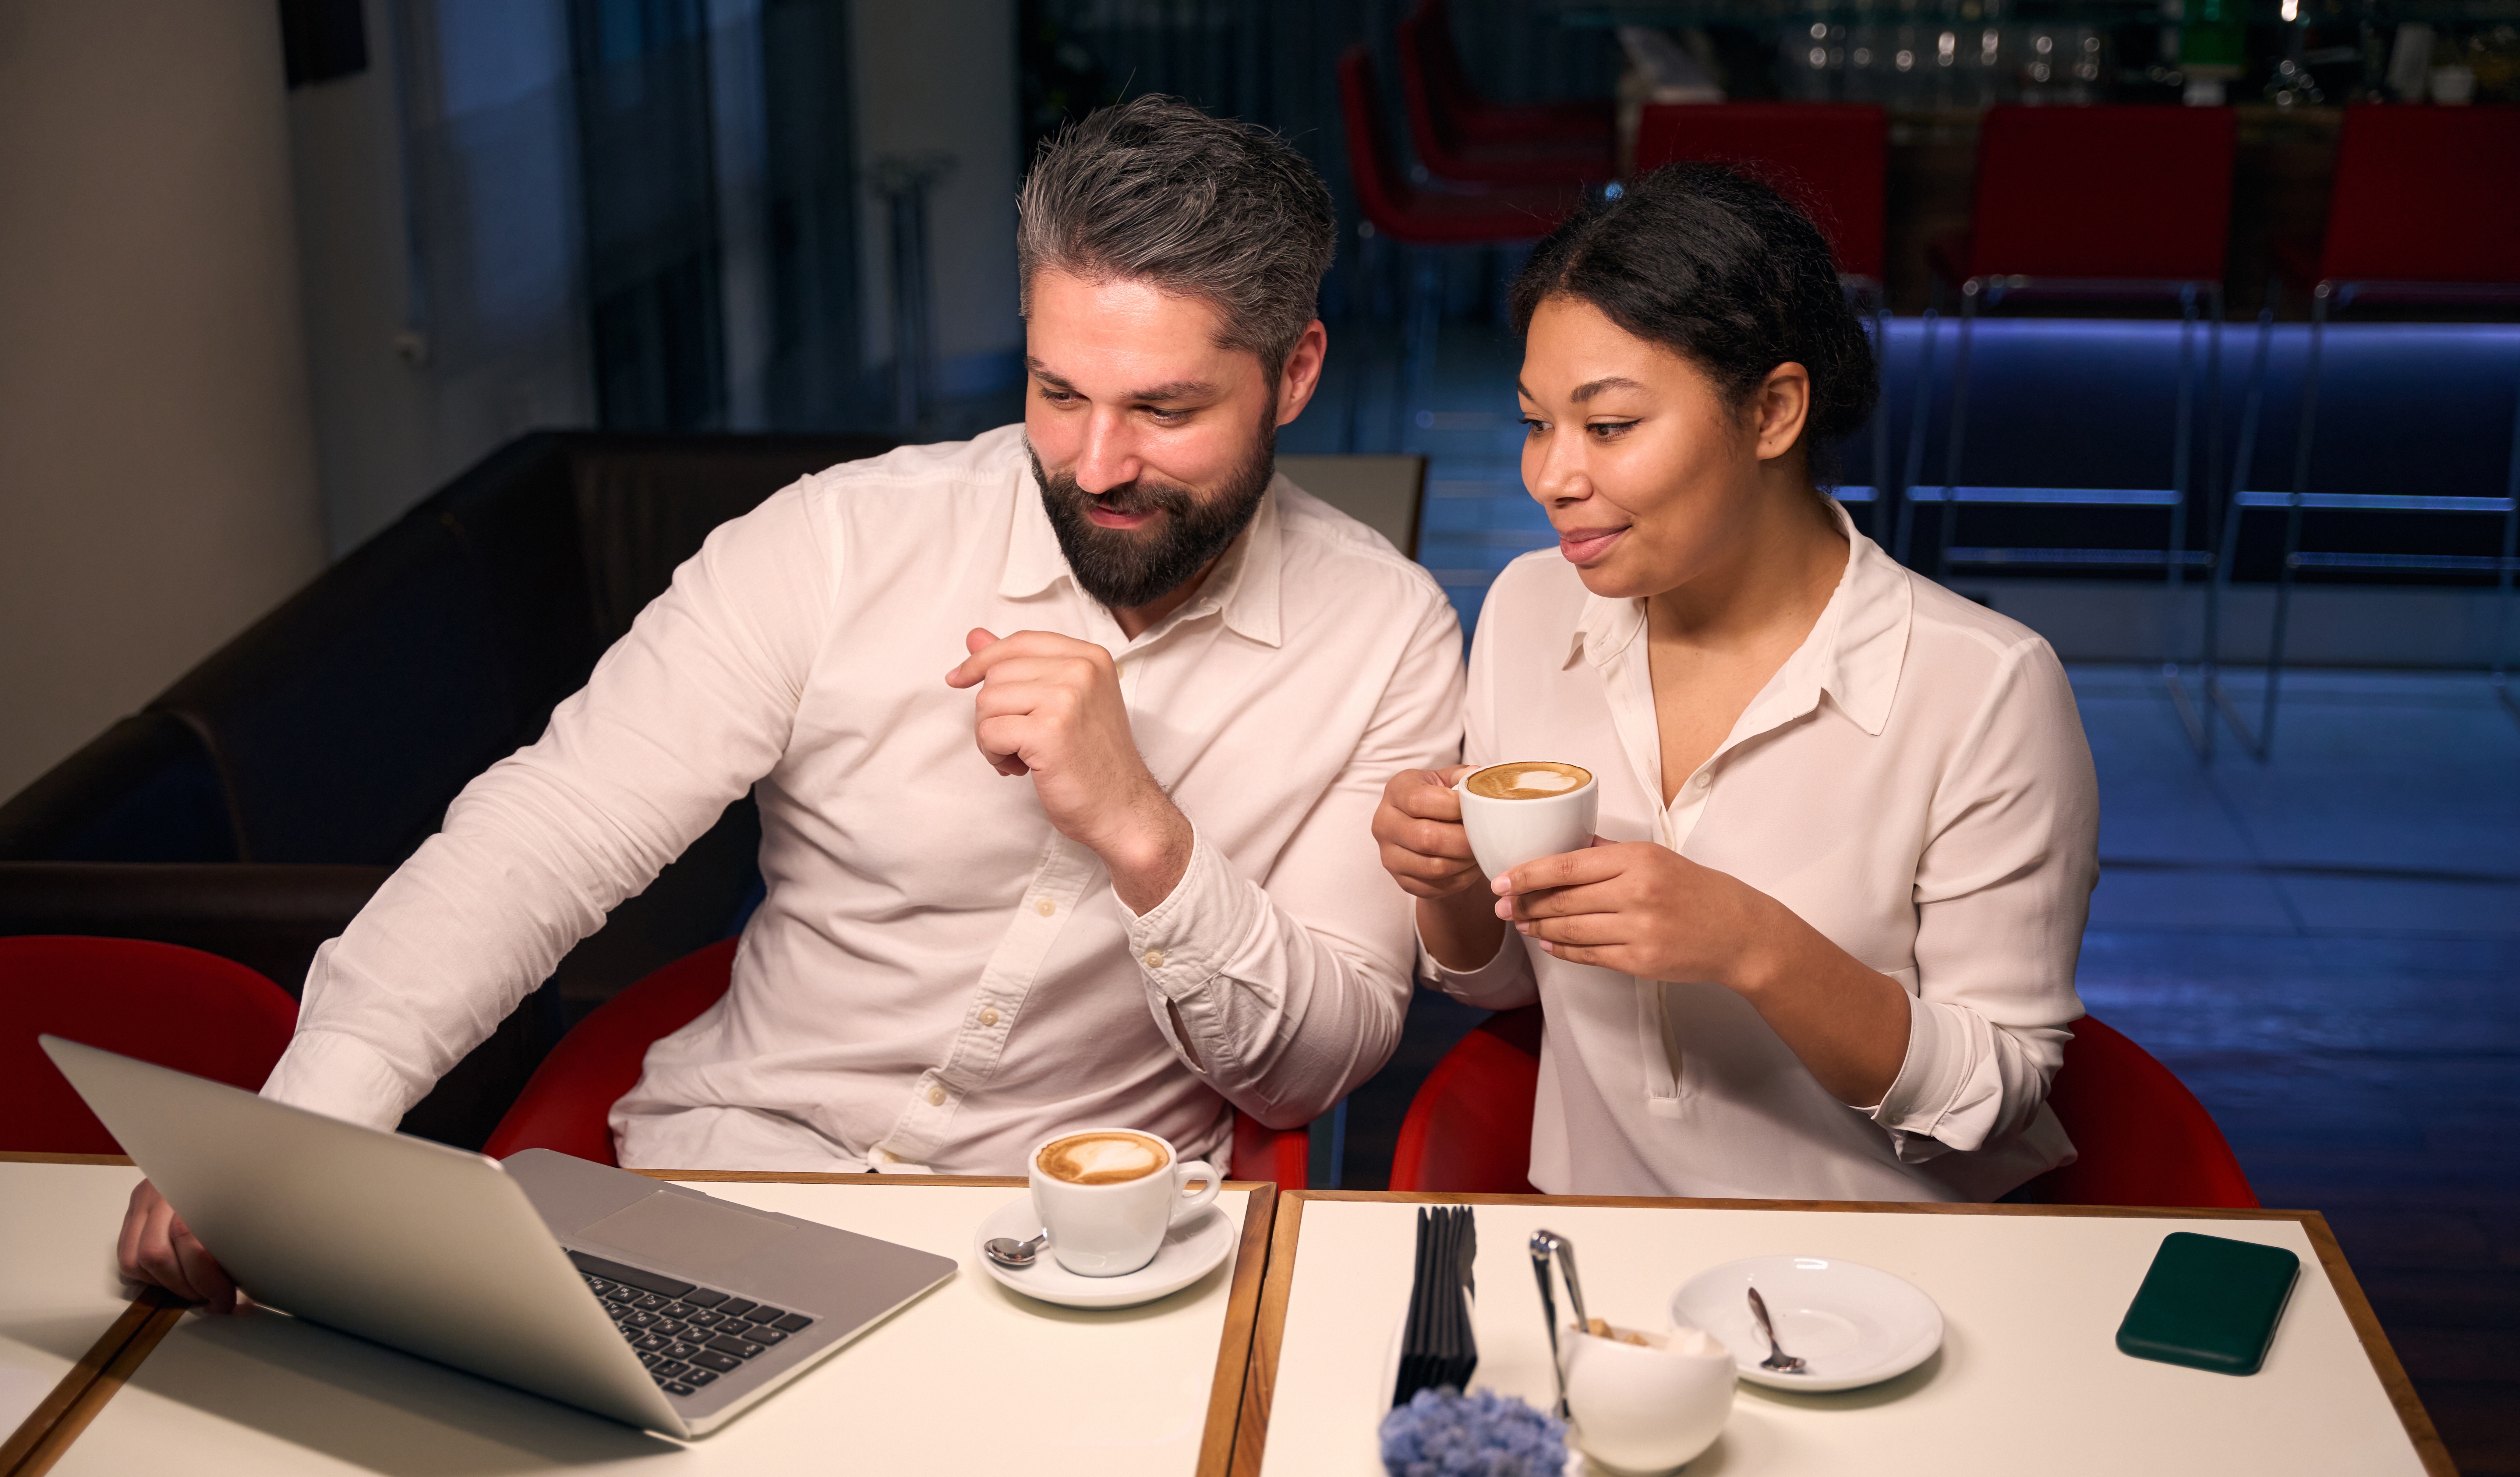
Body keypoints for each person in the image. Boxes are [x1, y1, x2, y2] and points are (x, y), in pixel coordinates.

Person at [122, 97, 1463, 1308]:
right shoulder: (834, 542)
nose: (1097, 464)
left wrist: (1144, 835)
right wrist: (299, 1133)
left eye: (1165, 410)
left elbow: (1315, 1063)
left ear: (1295, 372)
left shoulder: (1388, 634)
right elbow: (549, 833)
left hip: (1074, 1251)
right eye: (1060, 393)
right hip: (737, 1185)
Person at [1372, 165, 2098, 1201]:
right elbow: (1499, 982)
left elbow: (1995, 1098)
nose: (1552, 477)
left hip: (1886, 1296)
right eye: (1538, 423)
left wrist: (1753, 946)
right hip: (1599, 1272)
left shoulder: (1984, 688)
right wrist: (1447, 886)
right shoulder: (1534, 610)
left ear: (1773, 412)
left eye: (1609, 426)